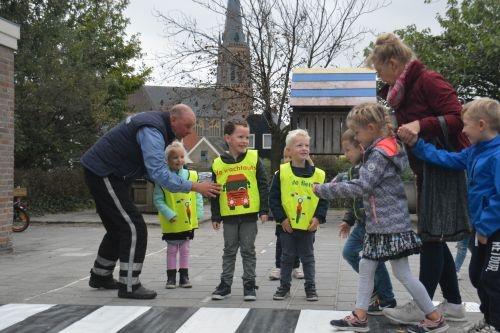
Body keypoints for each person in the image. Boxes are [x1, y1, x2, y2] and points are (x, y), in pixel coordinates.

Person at [314, 103, 447, 333]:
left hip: (388, 225)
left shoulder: (378, 154)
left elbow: (363, 185)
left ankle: (434, 317)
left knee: (398, 272)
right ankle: (361, 315)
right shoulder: (385, 149)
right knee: (368, 266)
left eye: (357, 132)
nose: (355, 137)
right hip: (384, 223)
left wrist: (324, 190)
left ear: (371, 127)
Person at [367, 32, 470, 323]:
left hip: (443, 166)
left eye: (380, 69)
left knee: (431, 237)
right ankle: (453, 304)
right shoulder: (402, 92)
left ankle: (424, 305)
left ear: (393, 63)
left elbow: (458, 118)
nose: (379, 76)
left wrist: (419, 124)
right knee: (434, 235)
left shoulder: (428, 80)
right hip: (426, 167)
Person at [81, 104, 221, 300]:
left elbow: (151, 170)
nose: (189, 132)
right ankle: (129, 285)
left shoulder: (157, 127)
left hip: (105, 172)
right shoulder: (152, 130)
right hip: (104, 172)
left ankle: (100, 275)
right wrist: (196, 186)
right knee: (134, 228)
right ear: (173, 119)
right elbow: (157, 171)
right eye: (188, 126)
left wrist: (177, 181)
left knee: (117, 228)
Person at [399, 98, 500, 333]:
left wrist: (485, 227)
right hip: (482, 230)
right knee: (476, 276)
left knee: (492, 279)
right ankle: (488, 318)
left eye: (466, 125)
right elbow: (447, 159)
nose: (462, 130)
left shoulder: (496, 155)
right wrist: (417, 145)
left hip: (494, 231)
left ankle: (495, 324)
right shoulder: (475, 151)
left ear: (482, 125)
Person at [337, 129, 397, 315]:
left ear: (361, 147)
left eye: (348, 150)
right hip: (362, 224)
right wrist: (348, 219)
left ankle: (386, 298)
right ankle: (376, 291)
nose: (345, 154)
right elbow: (356, 199)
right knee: (350, 253)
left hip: (375, 224)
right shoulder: (354, 170)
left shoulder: (372, 167)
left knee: (373, 260)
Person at [210, 117, 269, 301]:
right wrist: (215, 215)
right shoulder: (217, 164)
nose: (244, 141)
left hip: (249, 215)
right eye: (240, 137)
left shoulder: (254, 158)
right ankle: (225, 285)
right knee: (229, 250)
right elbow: (214, 191)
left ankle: (249, 285)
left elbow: (262, 184)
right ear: (228, 138)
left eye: (247, 137)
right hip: (228, 217)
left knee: (248, 250)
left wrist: (264, 210)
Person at [270, 129, 329, 302]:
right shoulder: (281, 173)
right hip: (287, 226)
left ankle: (310, 287)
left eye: (306, 145)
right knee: (286, 257)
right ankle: (284, 287)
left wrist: (318, 218)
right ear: (288, 150)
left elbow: (324, 199)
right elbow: (273, 198)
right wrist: (281, 219)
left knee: (308, 258)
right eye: (299, 145)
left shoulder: (319, 175)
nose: (304, 148)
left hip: (308, 226)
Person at [153, 141, 203, 289]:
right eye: (175, 157)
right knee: (172, 250)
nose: (179, 160)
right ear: (167, 160)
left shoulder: (192, 175)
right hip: (172, 222)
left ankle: (184, 277)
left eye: (182, 156)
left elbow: (198, 195)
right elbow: (158, 199)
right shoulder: (162, 179)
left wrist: (198, 213)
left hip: (187, 221)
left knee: (186, 249)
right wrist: (168, 213)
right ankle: (170, 278)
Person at [268, 148, 305, 281]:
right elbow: (274, 196)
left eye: (290, 157)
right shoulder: (280, 173)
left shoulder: (303, 174)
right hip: (282, 218)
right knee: (280, 243)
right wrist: (279, 216)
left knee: (298, 243)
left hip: (299, 218)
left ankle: (296, 266)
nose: (287, 160)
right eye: (285, 157)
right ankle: (278, 267)